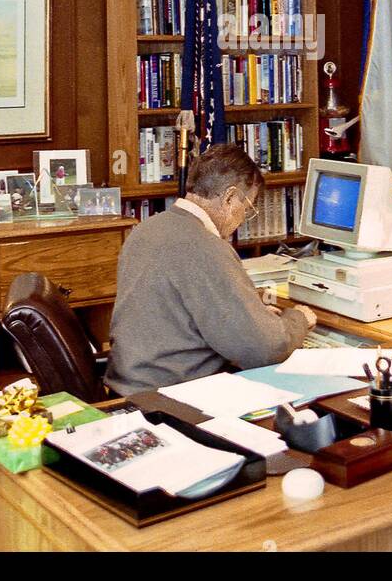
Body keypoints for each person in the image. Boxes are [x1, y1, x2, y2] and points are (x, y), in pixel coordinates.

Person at [106, 143, 317, 395]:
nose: (242, 219)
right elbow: (265, 350)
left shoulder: (146, 229)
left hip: (130, 385)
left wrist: (252, 316)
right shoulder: (205, 246)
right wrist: (298, 320)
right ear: (229, 198)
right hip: (169, 396)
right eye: (247, 208)